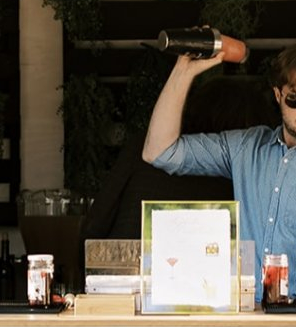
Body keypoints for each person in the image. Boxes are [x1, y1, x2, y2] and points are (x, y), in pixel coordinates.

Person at [142, 39, 296, 302]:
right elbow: (159, 151)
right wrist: (183, 71)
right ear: (278, 95)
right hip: (249, 311)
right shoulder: (247, 148)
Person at [85, 75, 276, 241]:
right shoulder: (249, 169)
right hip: (215, 269)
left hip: (125, 262)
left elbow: (99, 217)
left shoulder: (146, 148)